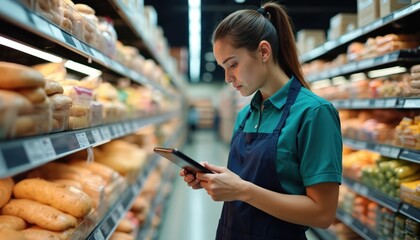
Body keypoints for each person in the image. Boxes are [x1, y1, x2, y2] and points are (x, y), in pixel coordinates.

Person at [181, 2, 342, 240]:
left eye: (232, 64)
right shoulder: (244, 115)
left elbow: (322, 214)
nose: (227, 77)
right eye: (223, 68)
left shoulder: (314, 113)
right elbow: (246, 184)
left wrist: (243, 190)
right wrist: (216, 180)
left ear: (263, 52)